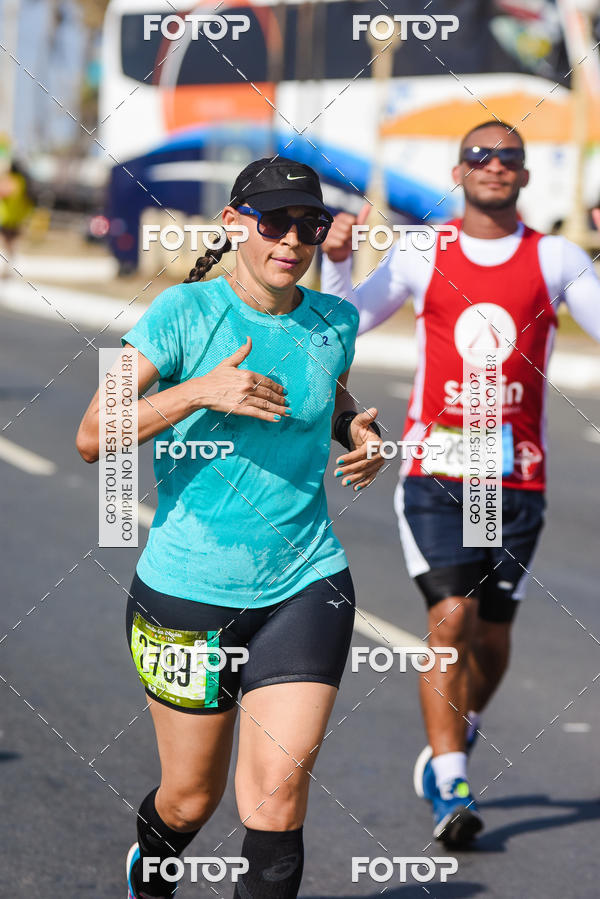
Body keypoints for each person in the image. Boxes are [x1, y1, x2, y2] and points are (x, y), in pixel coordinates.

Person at [76, 157, 384, 899]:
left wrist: (356, 431)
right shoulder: (177, 316)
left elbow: (329, 385)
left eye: (307, 224)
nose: (292, 239)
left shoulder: (333, 320)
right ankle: (151, 874)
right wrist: (198, 391)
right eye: (274, 222)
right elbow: (92, 434)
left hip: (307, 579)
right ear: (235, 223)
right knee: (190, 798)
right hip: (188, 592)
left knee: (277, 798)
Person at [321, 121, 600, 847]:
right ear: (460, 170)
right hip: (439, 468)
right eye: (480, 155)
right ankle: (451, 782)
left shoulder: (557, 256)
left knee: (495, 637)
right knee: (450, 619)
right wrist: (337, 265)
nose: (494, 166)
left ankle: (462, 728)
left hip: (515, 475)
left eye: (509, 157)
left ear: (526, 176)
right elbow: (345, 324)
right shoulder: (424, 251)